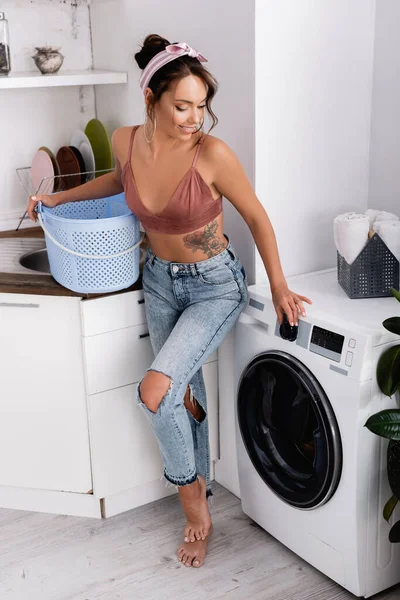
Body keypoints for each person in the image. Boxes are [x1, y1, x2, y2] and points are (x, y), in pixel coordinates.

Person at [27, 33, 312, 569]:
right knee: (181, 395)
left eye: (202, 106)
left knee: (155, 393)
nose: (194, 118)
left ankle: (195, 511)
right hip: (158, 280)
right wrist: (58, 197)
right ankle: (201, 490)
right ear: (151, 100)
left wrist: (277, 287)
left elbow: (256, 216)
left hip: (213, 286)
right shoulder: (125, 139)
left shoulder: (212, 154)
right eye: (182, 105)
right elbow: (117, 181)